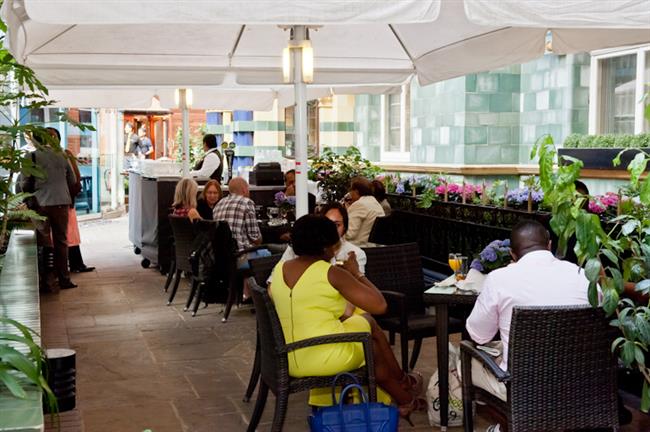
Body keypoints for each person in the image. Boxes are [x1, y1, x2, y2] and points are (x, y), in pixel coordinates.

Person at [269, 215, 425, 420]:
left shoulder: (280, 270)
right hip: (324, 358)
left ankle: (404, 394)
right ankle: (403, 389)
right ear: (327, 247)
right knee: (371, 338)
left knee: (367, 328)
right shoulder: (330, 273)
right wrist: (356, 274)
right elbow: (380, 305)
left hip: (287, 357)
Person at [465, 219, 591, 404]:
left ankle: (504, 425)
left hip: (523, 389)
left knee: (464, 361)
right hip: (583, 384)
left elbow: (478, 335)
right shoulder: (583, 275)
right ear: (549, 245)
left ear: (512, 254)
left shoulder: (499, 279)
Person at [22, 131, 78, 290]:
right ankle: (64, 279)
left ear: (34, 141)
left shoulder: (31, 157)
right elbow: (72, 180)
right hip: (61, 202)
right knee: (61, 241)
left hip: (40, 204)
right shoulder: (62, 155)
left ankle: (46, 281)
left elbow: (24, 183)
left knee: (44, 241)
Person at [46, 127, 94, 273]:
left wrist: (71, 196)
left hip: (65, 199)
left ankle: (75, 263)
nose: (50, 140)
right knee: (60, 234)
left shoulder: (65, 154)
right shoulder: (40, 156)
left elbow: (75, 177)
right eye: (47, 137)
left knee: (69, 233)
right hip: (51, 200)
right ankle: (67, 265)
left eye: (53, 137)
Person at [213, 177, 270, 264]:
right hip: (240, 256)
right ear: (244, 189)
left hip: (220, 258)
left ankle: (245, 277)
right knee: (269, 254)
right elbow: (255, 237)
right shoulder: (247, 202)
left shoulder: (218, 204)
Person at [345, 177, 385, 245]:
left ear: (356, 191)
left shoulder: (360, 204)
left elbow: (349, 234)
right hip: (374, 249)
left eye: (351, 190)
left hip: (358, 248)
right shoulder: (375, 203)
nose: (350, 193)